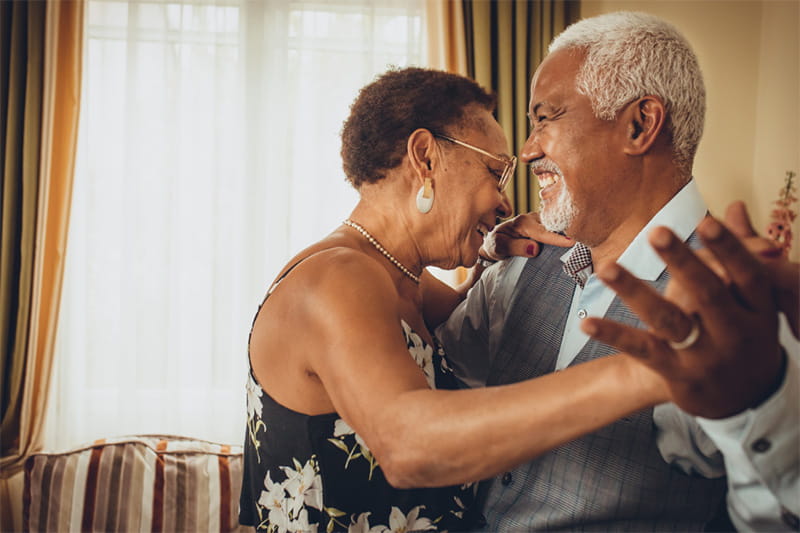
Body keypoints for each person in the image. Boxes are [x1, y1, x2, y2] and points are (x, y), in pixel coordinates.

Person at [238, 67, 678, 533]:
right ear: (425, 157)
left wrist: (490, 254)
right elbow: (411, 447)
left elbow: (468, 347)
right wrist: (649, 369)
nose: (506, 203)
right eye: (496, 172)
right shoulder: (336, 279)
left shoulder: (403, 280)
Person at [438, 11, 799, 531]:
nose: (528, 148)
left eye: (545, 117)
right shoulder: (518, 264)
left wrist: (765, 401)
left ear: (639, 125)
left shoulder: (742, 311)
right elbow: (440, 380)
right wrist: (478, 261)